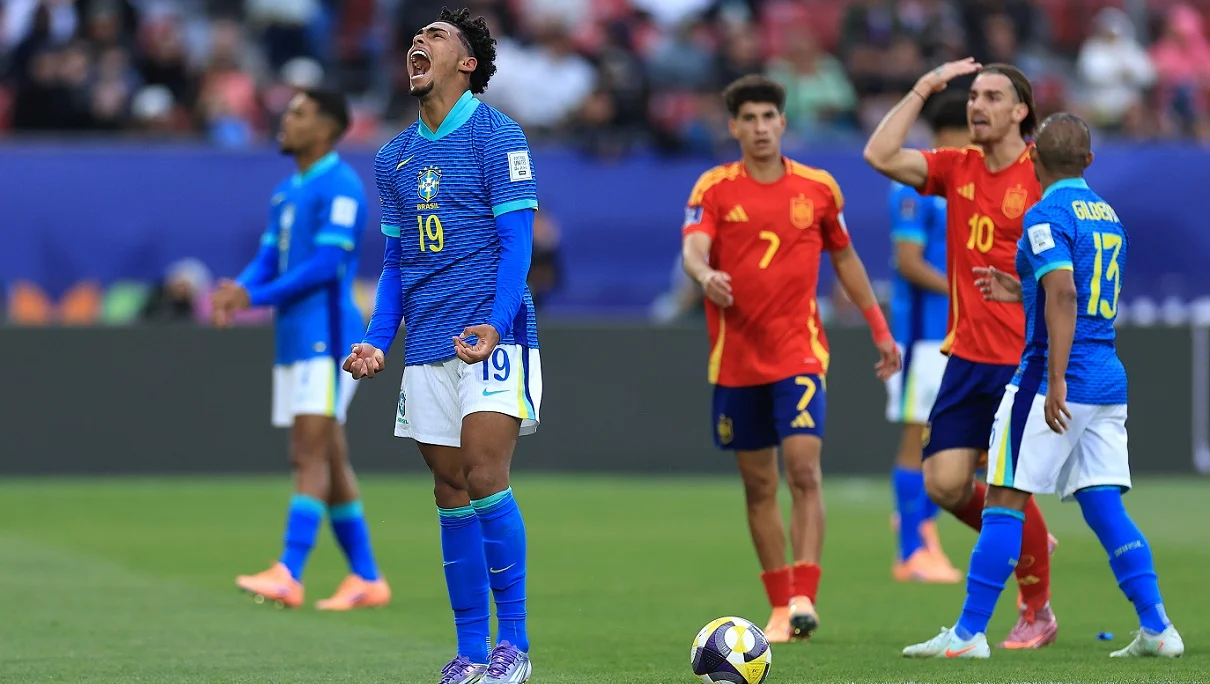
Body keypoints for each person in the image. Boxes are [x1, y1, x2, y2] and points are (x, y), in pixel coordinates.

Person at [904, 112, 1184, 659]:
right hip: (1107, 376)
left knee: (1004, 500)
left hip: (1051, 379)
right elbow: (1074, 288)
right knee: (1104, 503)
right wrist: (1020, 291)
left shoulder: (1043, 213)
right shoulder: (1107, 215)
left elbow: (1063, 294)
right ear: (1089, 161)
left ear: (1032, 159)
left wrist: (1053, 379)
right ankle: (1157, 628)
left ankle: (967, 635)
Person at [342, 8, 540, 684]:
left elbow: (518, 246)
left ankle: (513, 645)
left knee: (486, 476)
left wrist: (497, 319)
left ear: (468, 64)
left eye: (437, 36)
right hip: (426, 341)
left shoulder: (498, 135)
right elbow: (396, 265)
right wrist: (375, 341)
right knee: (449, 489)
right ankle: (471, 653)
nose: (417, 42)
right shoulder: (393, 157)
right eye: (416, 36)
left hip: (493, 335)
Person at [682, 74, 901, 644]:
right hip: (736, 361)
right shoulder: (714, 188)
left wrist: (880, 330)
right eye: (748, 119)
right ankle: (779, 606)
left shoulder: (819, 188)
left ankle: (805, 596)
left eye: (768, 118)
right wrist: (706, 275)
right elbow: (693, 247)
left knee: (803, 469)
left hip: (799, 353)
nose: (759, 128)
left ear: (783, 123)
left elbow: (848, 261)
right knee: (759, 486)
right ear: (733, 127)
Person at [863, 59, 1059, 648]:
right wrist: (923, 87)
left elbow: (1071, 274)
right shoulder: (956, 168)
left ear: (1020, 112)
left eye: (993, 96)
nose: (977, 105)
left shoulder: (1044, 177)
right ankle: (1025, 539)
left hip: (1023, 361)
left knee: (1007, 491)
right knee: (945, 486)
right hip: (967, 357)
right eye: (973, 95)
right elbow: (879, 154)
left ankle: (1034, 609)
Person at [211, 89, 390, 611]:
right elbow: (268, 260)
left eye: (299, 113)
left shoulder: (341, 184)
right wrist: (237, 291)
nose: (285, 120)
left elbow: (326, 265)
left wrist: (254, 296)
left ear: (329, 129)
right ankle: (366, 578)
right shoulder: (287, 192)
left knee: (307, 453)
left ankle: (289, 571)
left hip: (330, 338)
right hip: (295, 338)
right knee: (330, 459)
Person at [884, 92, 968, 584]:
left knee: (957, 445)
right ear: (950, 133)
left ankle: (922, 535)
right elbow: (909, 262)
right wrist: (965, 292)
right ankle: (910, 548)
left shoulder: (959, 183)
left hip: (956, 335)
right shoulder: (913, 186)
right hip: (923, 336)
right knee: (917, 440)